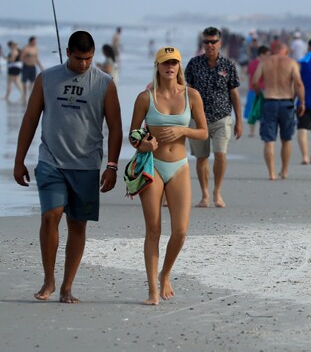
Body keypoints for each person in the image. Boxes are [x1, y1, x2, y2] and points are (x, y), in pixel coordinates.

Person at [13, 31, 122, 303]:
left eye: (88, 58)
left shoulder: (105, 83)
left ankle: (67, 286)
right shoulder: (47, 78)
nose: (84, 64)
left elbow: (116, 127)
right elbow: (30, 119)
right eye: (78, 58)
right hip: (51, 160)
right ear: (67, 52)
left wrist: (112, 165)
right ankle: (48, 280)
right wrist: (19, 160)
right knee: (51, 216)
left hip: (86, 165)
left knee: (77, 225)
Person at [129, 46, 208, 305]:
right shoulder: (145, 97)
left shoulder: (192, 95)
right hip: (153, 166)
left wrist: (182, 131)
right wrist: (143, 144)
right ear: (158, 66)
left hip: (179, 166)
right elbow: (133, 134)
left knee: (181, 231)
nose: (170, 67)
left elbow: (203, 132)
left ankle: (165, 273)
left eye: (174, 63)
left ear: (179, 67)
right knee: (153, 229)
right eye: (165, 63)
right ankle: (152, 289)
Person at [185, 27, 242, 207]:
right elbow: (185, 91)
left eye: (213, 42)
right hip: (198, 119)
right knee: (201, 157)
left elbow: (234, 94)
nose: (209, 45)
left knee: (220, 155)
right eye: (206, 42)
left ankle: (217, 192)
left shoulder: (228, 65)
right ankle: (204, 195)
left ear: (220, 43)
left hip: (221, 118)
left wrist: (239, 120)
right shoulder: (194, 64)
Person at [252, 41, 305, 180]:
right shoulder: (292, 62)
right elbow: (298, 83)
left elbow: (255, 81)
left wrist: (259, 94)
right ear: (285, 51)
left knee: (269, 140)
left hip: (269, 101)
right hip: (286, 102)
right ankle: (285, 170)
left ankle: (272, 173)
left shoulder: (264, 62)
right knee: (286, 139)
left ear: (273, 50)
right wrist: (302, 102)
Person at [243, 45, 269, 137]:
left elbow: (248, 74)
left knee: (252, 111)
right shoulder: (265, 64)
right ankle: (262, 131)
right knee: (264, 111)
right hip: (262, 89)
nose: (268, 56)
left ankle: (251, 132)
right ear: (261, 54)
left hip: (252, 89)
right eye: (267, 54)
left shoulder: (251, 63)